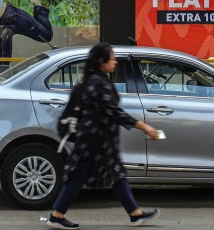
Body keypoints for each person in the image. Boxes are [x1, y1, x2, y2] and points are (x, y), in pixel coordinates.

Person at [48, 43, 161, 230]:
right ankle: (57, 216)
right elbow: (114, 111)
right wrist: (143, 126)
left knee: (115, 174)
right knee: (81, 174)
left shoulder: (88, 81)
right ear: (102, 61)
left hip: (96, 139)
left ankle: (135, 214)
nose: (115, 62)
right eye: (112, 58)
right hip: (96, 140)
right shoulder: (99, 83)